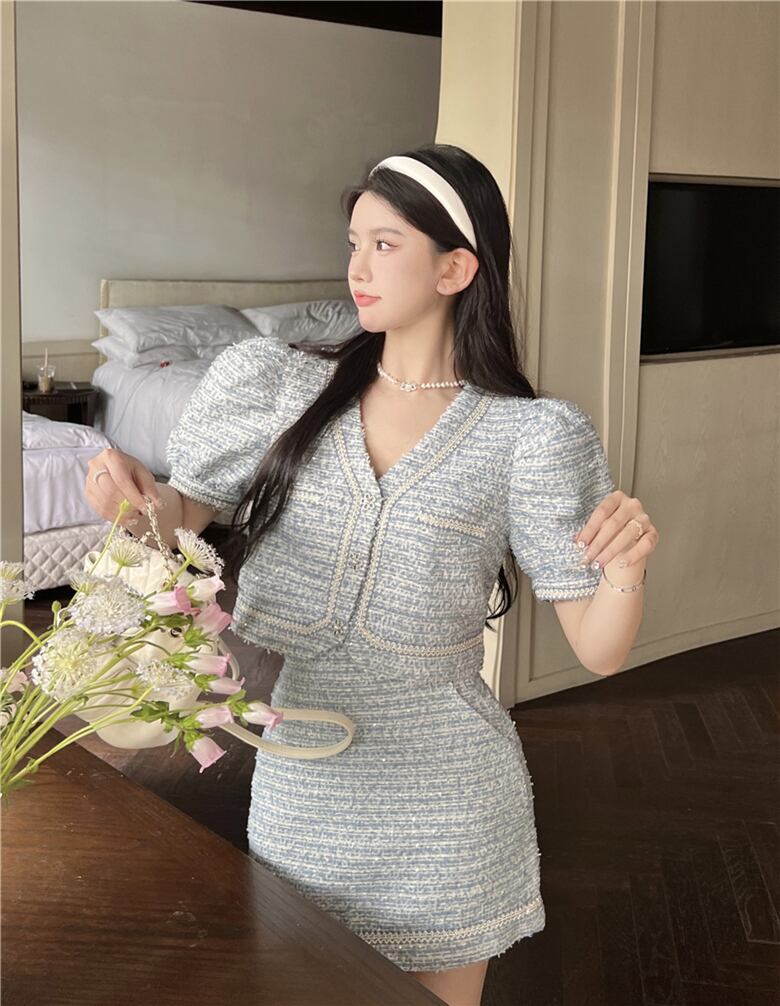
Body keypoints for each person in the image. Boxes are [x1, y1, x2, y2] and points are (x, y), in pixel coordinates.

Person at [85, 142, 658, 1006]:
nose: (357, 267)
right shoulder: (277, 387)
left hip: (449, 796)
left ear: (456, 268)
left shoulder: (532, 437)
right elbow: (183, 515)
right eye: (354, 243)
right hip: (303, 778)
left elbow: (600, 649)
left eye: (385, 244)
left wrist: (624, 567)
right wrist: (130, 499)